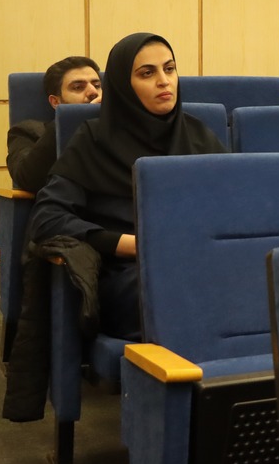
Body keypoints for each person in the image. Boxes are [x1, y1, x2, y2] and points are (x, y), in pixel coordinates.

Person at [25, 32, 225, 341]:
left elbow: (236, 206)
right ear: (122, 85)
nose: (164, 81)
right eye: (147, 73)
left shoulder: (200, 135)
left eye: (169, 69)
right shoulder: (93, 139)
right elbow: (47, 218)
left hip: (199, 259)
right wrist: (129, 244)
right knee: (183, 292)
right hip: (129, 272)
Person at [6, 56, 103, 193]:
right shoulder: (28, 131)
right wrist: (72, 118)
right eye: (78, 87)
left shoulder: (119, 125)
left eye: (97, 86)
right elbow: (27, 179)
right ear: (56, 102)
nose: (93, 92)